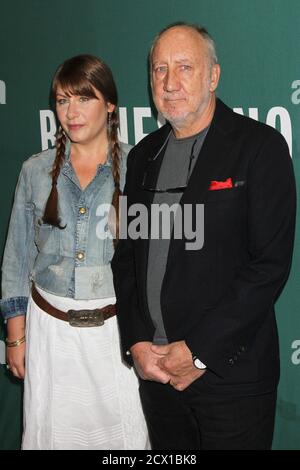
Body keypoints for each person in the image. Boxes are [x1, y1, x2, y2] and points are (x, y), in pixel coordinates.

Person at [111, 23, 296, 450]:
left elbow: (268, 267)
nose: (170, 82)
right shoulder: (142, 157)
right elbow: (128, 258)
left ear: (213, 76)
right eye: (159, 69)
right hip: (157, 377)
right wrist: (136, 341)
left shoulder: (259, 148)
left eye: (184, 67)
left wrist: (196, 352)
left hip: (230, 378)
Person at [1, 54, 149, 450]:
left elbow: (154, 262)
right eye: (62, 101)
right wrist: (16, 336)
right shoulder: (35, 170)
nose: (71, 111)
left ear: (111, 104)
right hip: (49, 334)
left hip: (116, 337)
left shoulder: (141, 166)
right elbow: (16, 257)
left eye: (84, 99)